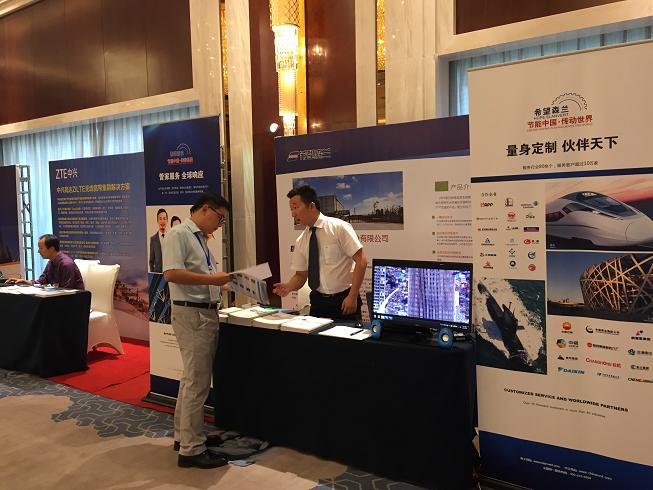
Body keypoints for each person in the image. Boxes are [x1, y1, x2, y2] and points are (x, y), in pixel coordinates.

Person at [162, 192, 232, 469]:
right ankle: (191, 450)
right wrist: (212, 280)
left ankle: (184, 437)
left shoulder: (200, 238)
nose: (219, 224)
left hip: (202, 312)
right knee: (198, 382)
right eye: (219, 218)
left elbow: (201, 276)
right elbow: (171, 274)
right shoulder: (179, 234)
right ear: (205, 209)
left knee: (191, 378)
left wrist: (223, 284)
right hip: (193, 314)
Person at [273, 185, 367, 320]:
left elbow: (361, 260)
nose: (293, 214)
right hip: (318, 303)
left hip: (344, 300)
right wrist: (288, 287)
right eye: (291, 209)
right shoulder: (301, 240)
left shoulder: (338, 227)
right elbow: (300, 275)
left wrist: (352, 296)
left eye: (296, 207)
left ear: (311, 206)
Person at [7, 234, 84, 289]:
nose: (38, 251)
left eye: (41, 248)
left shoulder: (66, 264)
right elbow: (41, 281)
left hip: (72, 301)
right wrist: (25, 282)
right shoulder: (51, 262)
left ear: (51, 248)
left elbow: (67, 290)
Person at [149, 208, 168, 273]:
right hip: (157, 275)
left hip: (169, 274)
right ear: (157, 221)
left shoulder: (171, 237)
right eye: (160, 219)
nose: (162, 221)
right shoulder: (153, 239)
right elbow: (151, 261)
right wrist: (153, 274)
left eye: (164, 219)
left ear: (167, 221)